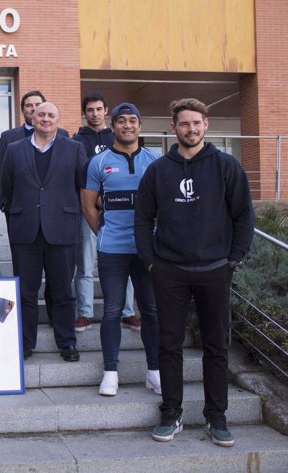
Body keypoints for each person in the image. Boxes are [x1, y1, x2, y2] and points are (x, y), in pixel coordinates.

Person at [136, 98, 255, 447]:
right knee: (168, 346)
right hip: (169, 270)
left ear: (206, 124)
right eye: (184, 124)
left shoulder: (226, 166)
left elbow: (244, 216)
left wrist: (234, 259)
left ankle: (216, 417)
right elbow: (142, 219)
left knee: (216, 347)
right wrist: (151, 261)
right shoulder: (158, 170)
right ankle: (171, 413)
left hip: (215, 269)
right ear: (173, 128)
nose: (191, 129)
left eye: (196, 123)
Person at [81, 102, 160, 396]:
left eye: (133, 121)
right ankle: (110, 372)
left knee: (150, 311)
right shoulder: (98, 162)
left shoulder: (155, 160)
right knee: (113, 310)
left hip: (146, 251)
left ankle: (154, 372)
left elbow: (163, 205)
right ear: (112, 126)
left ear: (139, 126)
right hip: (112, 249)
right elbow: (88, 204)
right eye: (122, 121)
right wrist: (102, 232)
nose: (127, 125)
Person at [0, 102, 86, 361]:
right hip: (25, 231)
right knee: (25, 291)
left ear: (58, 120)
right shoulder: (15, 150)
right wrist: (16, 214)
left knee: (63, 290)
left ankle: (67, 342)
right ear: (32, 117)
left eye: (51, 115)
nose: (45, 119)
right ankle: (25, 342)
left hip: (62, 229)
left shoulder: (74, 148)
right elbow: (5, 188)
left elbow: (82, 187)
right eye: (41, 114)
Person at [73, 92, 139, 333]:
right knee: (86, 265)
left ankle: (128, 312)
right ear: (85, 113)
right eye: (90, 110)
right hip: (89, 208)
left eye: (99, 109)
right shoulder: (77, 139)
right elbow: (79, 176)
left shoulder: (117, 135)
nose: (95, 113)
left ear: (106, 111)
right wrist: (95, 201)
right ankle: (85, 313)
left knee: (127, 262)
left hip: (120, 212)